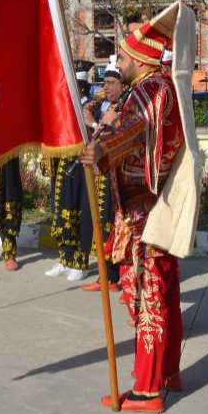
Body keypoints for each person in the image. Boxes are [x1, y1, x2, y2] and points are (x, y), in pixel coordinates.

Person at [80, 7, 187, 413]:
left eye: (123, 58)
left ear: (140, 60)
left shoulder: (148, 90)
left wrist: (103, 149)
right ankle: (168, 372)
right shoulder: (160, 86)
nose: (118, 64)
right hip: (158, 208)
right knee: (166, 293)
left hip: (144, 213)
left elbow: (134, 127)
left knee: (147, 298)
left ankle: (146, 389)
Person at [44, 60, 96, 282]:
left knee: (81, 213)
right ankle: (65, 258)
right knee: (63, 211)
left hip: (83, 165)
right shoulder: (65, 108)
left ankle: (80, 262)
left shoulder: (92, 107)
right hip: (65, 163)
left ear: (81, 87)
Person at [80, 58, 126, 293]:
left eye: (109, 83)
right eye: (103, 83)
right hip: (102, 175)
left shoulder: (124, 107)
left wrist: (94, 123)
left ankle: (113, 277)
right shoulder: (106, 105)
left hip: (116, 176)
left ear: (122, 85)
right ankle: (106, 275)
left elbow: (113, 136)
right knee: (100, 223)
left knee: (111, 224)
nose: (104, 88)